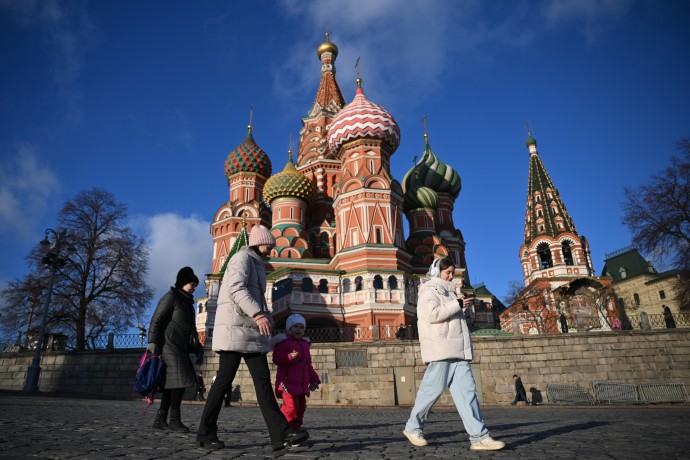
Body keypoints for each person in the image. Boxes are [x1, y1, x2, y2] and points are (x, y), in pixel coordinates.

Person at [196, 225, 309, 451]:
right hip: (234, 333)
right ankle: (205, 433)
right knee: (223, 382)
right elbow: (237, 289)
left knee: (263, 384)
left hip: (250, 335)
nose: (271, 250)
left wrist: (264, 316)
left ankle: (281, 434)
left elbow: (256, 297)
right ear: (259, 242)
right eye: (269, 245)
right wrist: (258, 314)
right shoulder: (241, 258)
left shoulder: (257, 264)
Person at [403, 257, 505, 451]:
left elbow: (452, 317)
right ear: (436, 272)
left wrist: (461, 305)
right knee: (430, 391)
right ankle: (413, 427)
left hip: (457, 350)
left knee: (468, 394)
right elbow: (432, 314)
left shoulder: (449, 293)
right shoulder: (428, 291)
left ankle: (479, 437)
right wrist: (457, 304)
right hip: (441, 349)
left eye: (452, 272)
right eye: (447, 272)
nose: (451, 276)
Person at [148, 266, 203, 433]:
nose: (194, 287)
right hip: (168, 345)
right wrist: (152, 342)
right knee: (178, 382)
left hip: (181, 347)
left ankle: (160, 419)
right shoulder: (171, 297)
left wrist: (198, 349)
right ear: (182, 283)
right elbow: (156, 320)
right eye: (191, 284)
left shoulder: (188, 303)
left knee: (173, 383)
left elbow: (192, 329)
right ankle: (174, 420)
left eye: (195, 285)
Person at [271, 314, 321, 432]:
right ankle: (284, 430)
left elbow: (308, 365)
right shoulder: (284, 342)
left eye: (301, 327)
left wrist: (314, 380)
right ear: (289, 328)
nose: (298, 329)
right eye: (295, 326)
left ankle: (295, 430)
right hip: (287, 383)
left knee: (301, 409)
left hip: (301, 385)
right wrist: (289, 357)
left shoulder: (304, 345)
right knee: (291, 408)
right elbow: (277, 358)